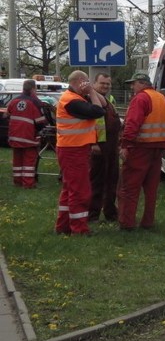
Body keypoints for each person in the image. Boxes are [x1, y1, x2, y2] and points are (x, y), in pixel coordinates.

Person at [118, 71, 165, 231]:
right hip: (159, 148)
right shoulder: (161, 98)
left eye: (133, 83)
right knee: (151, 188)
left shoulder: (140, 98)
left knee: (129, 187)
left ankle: (127, 223)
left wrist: (125, 145)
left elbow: (133, 123)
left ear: (141, 83)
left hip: (140, 147)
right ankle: (147, 221)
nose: (132, 87)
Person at [55, 71, 107, 235]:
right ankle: (79, 228)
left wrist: (91, 91)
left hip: (73, 148)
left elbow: (103, 104)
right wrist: (91, 91)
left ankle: (63, 226)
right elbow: (99, 112)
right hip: (73, 149)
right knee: (80, 191)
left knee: (69, 189)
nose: (89, 84)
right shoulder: (72, 101)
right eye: (86, 82)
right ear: (79, 82)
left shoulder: (75, 97)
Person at [89, 72, 122, 222]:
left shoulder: (109, 100)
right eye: (102, 83)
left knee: (112, 180)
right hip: (98, 147)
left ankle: (110, 212)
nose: (105, 86)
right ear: (94, 84)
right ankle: (92, 214)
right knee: (97, 181)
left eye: (108, 84)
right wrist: (94, 143)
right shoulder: (90, 99)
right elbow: (90, 123)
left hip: (111, 146)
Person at [4, 79, 47, 188]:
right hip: (28, 136)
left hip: (15, 136)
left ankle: (17, 181)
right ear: (33, 89)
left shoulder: (14, 101)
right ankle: (28, 183)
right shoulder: (34, 102)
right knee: (29, 160)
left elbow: (6, 116)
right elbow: (40, 122)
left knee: (17, 160)